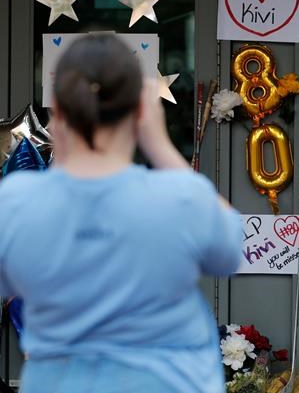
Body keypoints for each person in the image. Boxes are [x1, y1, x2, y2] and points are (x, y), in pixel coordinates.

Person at [0, 34, 242, 393]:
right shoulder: (177, 198)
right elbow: (231, 247)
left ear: (58, 114)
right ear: (141, 113)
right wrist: (159, 145)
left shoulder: (19, 201)